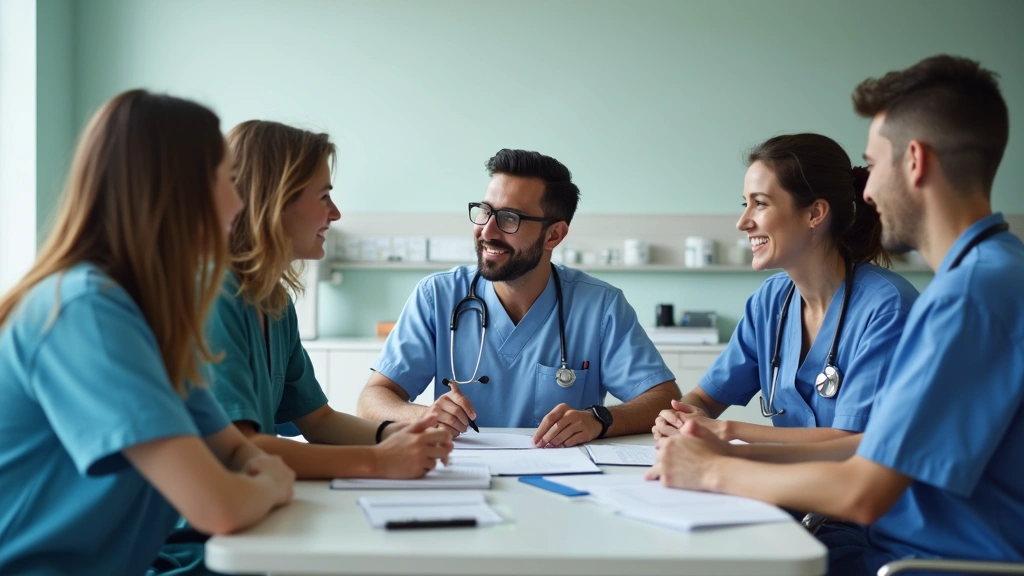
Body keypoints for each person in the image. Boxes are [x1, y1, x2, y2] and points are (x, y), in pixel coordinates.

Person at [648, 54, 1022, 574]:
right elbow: (874, 456)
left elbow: (864, 487)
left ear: (915, 161)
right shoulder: (992, 276)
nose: (865, 191)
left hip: (918, 562)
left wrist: (715, 468)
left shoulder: (968, 297)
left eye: (874, 166)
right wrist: (723, 450)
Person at [0, 90, 295, 575]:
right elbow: (215, 504)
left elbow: (234, 448)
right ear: (180, 191)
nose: (239, 203)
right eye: (228, 181)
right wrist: (269, 484)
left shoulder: (146, 320)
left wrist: (254, 473)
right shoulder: (85, 311)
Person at [357, 149, 680, 448]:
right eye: (485, 211)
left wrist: (599, 419)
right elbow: (373, 399)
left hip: (565, 480)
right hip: (461, 473)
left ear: (554, 235)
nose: (487, 230)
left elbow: (664, 399)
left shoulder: (600, 306)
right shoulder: (437, 296)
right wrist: (420, 415)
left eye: (510, 218)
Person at [202, 120, 453, 479]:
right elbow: (239, 448)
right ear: (275, 200)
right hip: (199, 525)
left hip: (256, 501)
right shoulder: (215, 296)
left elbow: (319, 421)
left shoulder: (274, 303)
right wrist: (379, 461)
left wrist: (395, 434)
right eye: (323, 196)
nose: (334, 213)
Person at [653, 133, 919, 444]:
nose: (742, 222)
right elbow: (705, 399)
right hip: (784, 486)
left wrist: (727, 432)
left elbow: (852, 444)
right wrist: (680, 418)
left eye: (760, 204)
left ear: (814, 213)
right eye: (745, 204)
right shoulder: (770, 302)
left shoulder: (887, 308)